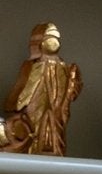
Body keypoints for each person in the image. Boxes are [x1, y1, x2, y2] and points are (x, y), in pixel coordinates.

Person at [0, 22, 83, 155]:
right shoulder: (32, 66)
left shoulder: (64, 67)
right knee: (33, 130)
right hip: (34, 111)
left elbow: (71, 91)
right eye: (49, 37)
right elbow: (25, 89)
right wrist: (18, 103)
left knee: (54, 128)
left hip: (56, 111)